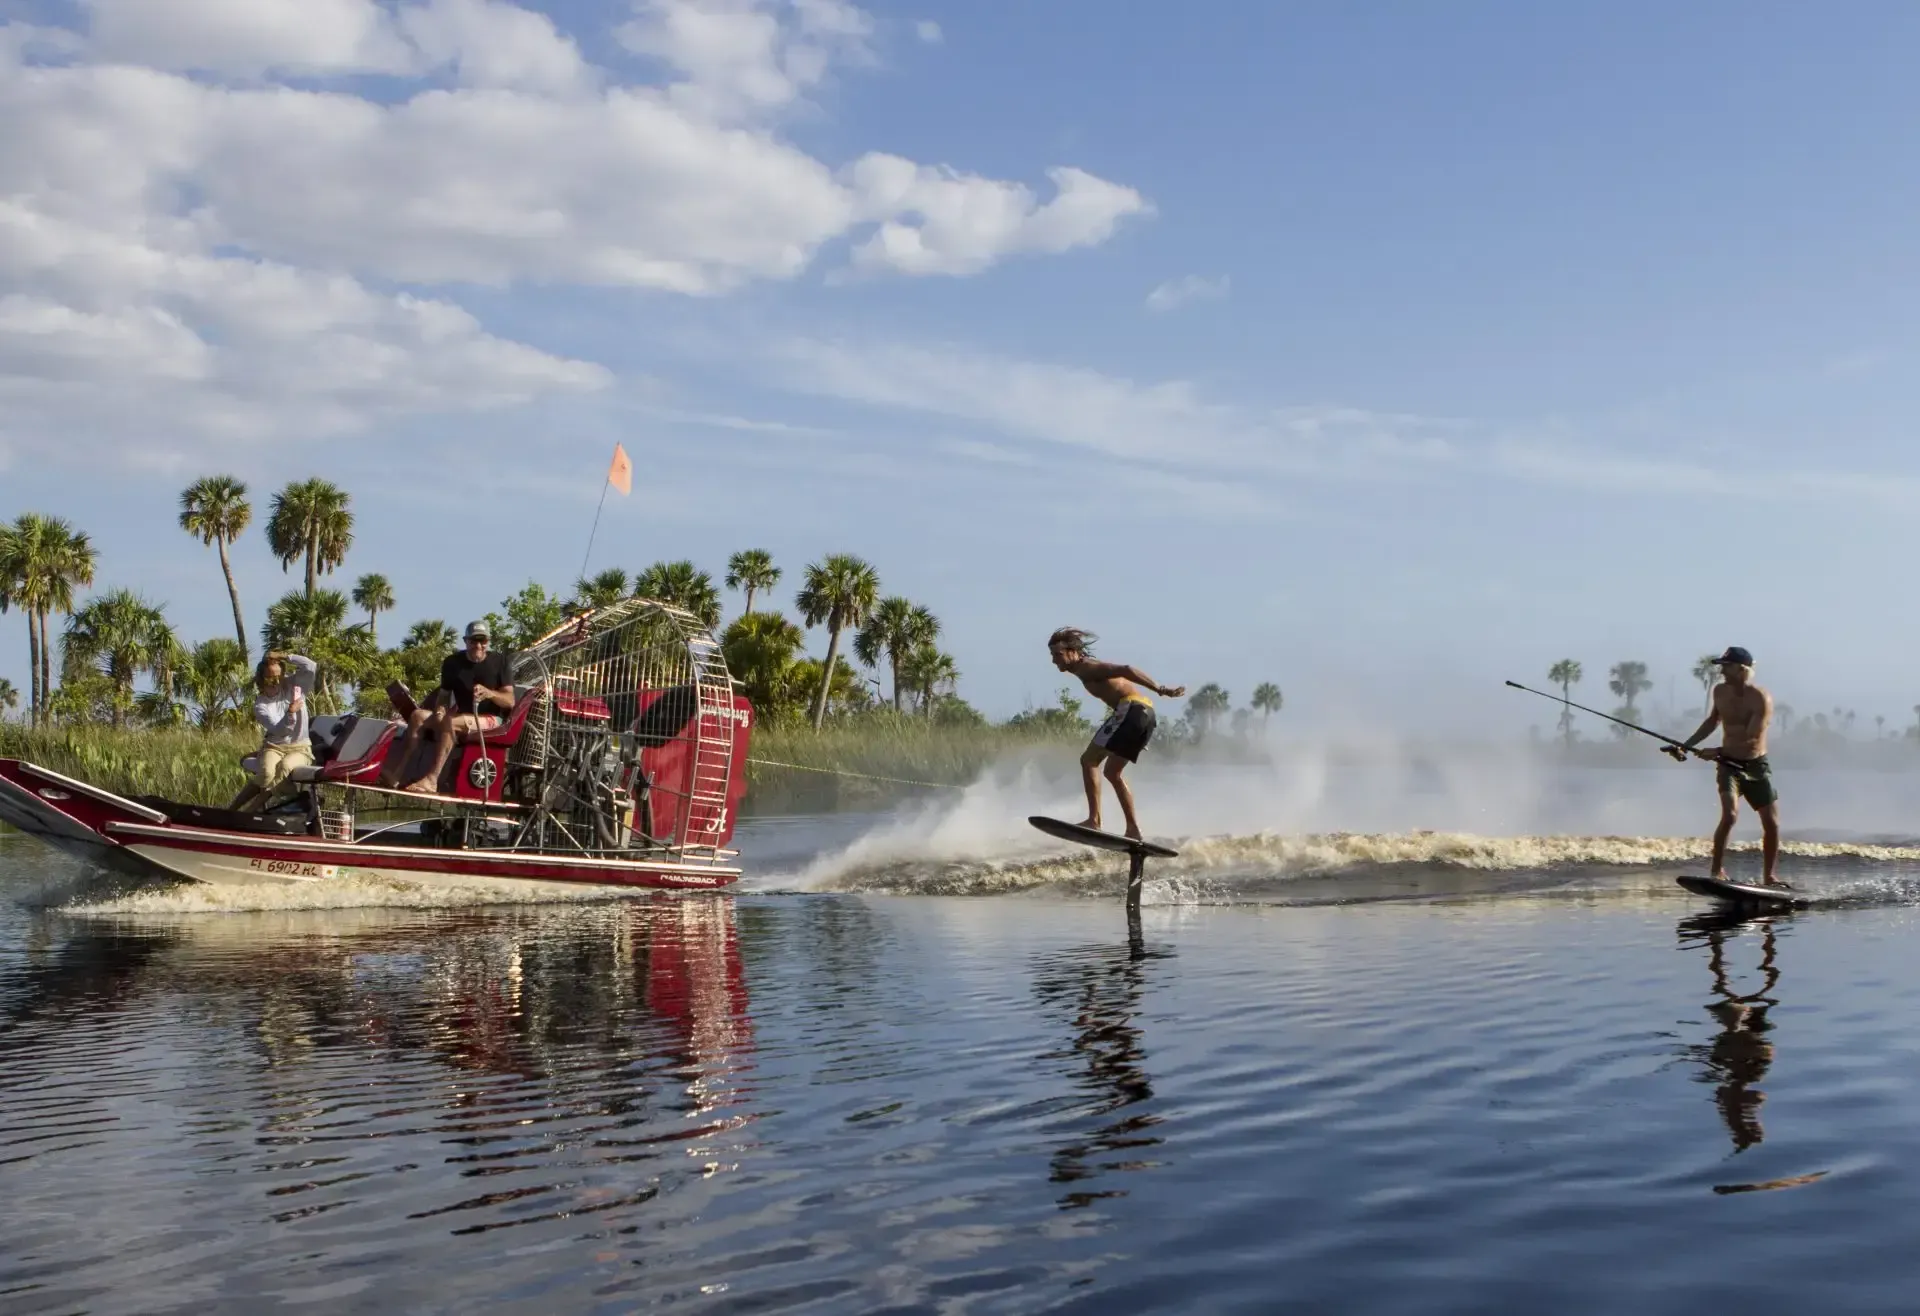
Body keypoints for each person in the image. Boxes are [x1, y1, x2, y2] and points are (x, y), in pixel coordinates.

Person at [1047, 628, 1184, 840]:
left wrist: (1160, 688)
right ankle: (1133, 829)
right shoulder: (1084, 669)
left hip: (1132, 710)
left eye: (1058, 655)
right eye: (1052, 655)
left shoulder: (1087, 668)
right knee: (1112, 773)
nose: (1054, 661)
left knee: (1089, 760)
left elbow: (1127, 669)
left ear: (1073, 652)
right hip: (1146, 715)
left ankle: (1094, 821)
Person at [1667, 645, 1782, 886]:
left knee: (1771, 823)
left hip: (1755, 765)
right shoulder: (1719, 691)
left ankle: (1769, 877)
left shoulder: (1760, 697)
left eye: (1726, 667)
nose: (1722, 672)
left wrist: (1716, 751)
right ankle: (1716, 871)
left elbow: (1752, 736)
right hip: (1728, 765)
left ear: (1741, 669)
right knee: (1729, 815)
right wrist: (1686, 746)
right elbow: (1712, 721)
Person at [381, 620, 516, 794]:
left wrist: (490, 694)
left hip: (491, 720)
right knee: (417, 716)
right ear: (465, 641)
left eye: (483, 641)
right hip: (461, 716)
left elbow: (510, 701)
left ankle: (432, 779)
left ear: (488, 641)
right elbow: (444, 696)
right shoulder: (452, 663)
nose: (479, 645)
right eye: (474, 641)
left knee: (450, 722)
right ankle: (397, 774)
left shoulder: (500, 662)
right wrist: (440, 710)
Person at [231, 650, 318, 812]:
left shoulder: (295, 686)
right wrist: (291, 712)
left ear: (284, 676)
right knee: (266, 773)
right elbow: (281, 730)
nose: (275, 681)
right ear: (261, 679)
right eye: (270, 677)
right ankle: (232, 809)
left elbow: (311, 666)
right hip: (274, 747)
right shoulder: (261, 705)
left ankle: (252, 810)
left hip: (300, 748)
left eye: (279, 676)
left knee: (285, 767)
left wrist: (283, 656)